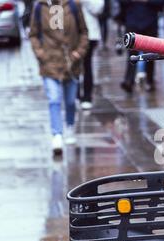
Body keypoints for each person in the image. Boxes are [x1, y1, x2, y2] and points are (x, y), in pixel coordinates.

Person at [30, 0, 89, 155]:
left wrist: (78, 53)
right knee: (54, 99)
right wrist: (40, 54)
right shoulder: (39, 7)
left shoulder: (73, 5)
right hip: (49, 63)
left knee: (70, 101)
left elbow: (84, 32)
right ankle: (57, 134)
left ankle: (70, 125)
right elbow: (33, 34)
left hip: (71, 63)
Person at [119, 0, 164, 93]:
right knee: (131, 54)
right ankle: (129, 80)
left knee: (150, 54)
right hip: (132, 23)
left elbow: (161, 3)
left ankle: (150, 81)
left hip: (150, 23)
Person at [80, 0, 104, 110]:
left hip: (89, 32)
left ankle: (87, 96)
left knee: (86, 64)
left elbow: (98, 8)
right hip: (70, 33)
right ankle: (75, 95)